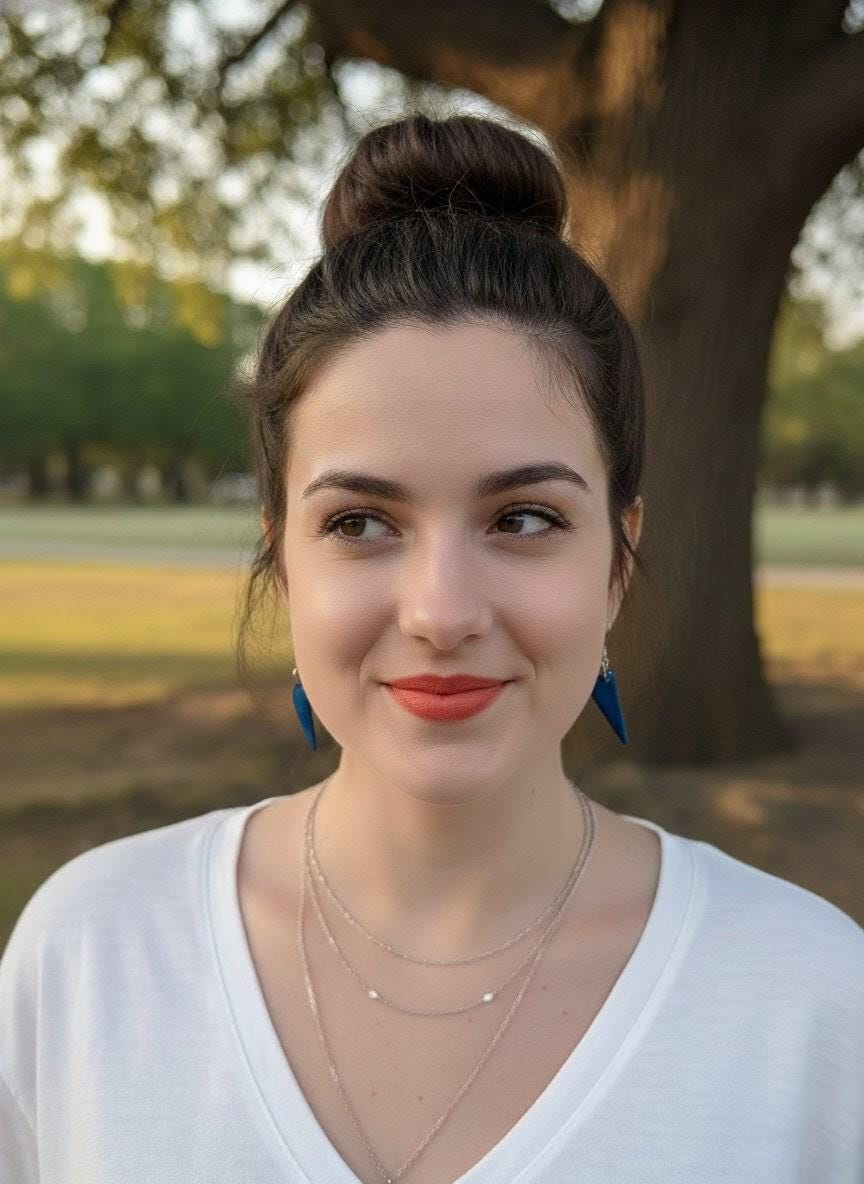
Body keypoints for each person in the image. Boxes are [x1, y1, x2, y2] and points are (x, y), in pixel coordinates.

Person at [1, 113, 862, 1184]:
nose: (441, 609)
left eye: (524, 518)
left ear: (618, 559)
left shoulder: (814, 1003)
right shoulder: (88, 957)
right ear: (285, 560)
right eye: (361, 522)